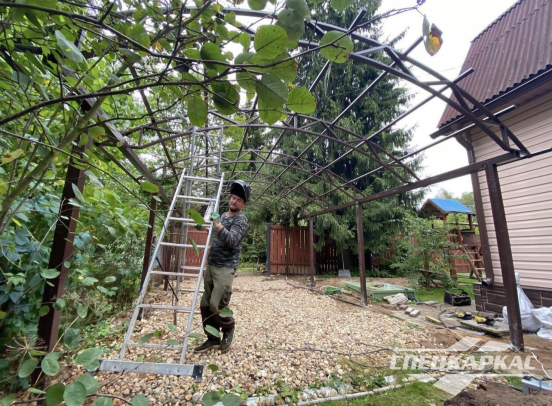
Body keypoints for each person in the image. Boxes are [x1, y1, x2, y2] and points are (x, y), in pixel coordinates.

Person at [194, 180, 250, 353]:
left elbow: (232, 240)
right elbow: (215, 233)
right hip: (212, 264)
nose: (233, 201)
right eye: (233, 198)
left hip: (226, 268)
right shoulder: (223, 216)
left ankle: (228, 329)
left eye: (238, 200)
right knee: (204, 304)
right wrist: (203, 226)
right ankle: (212, 338)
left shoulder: (241, 220)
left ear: (243, 204)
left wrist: (217, 224)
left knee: (216, 304)